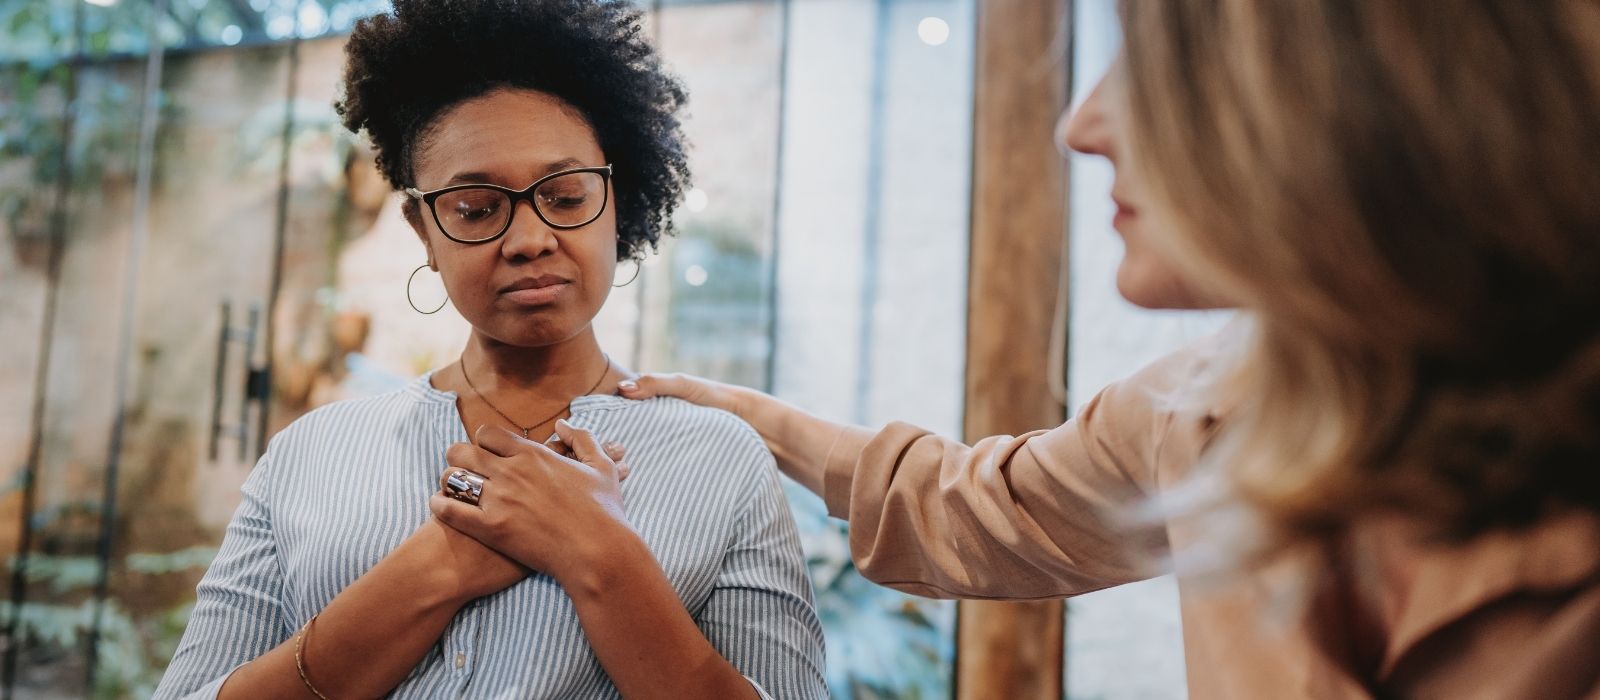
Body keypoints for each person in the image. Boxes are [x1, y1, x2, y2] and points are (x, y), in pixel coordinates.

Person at [622, 1, 1600, 697]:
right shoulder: (1199, 410)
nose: (1078, 125)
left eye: (1153, 70)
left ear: (1351, 98)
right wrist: (738, 418)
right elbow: (971, 507)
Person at [153, 2, 826, 698]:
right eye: (476, 209)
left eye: (566, 198)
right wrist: (436, 568)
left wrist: (598, 553)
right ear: (424, 230)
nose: (530, 239)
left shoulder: (721, 459)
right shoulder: (312, 454)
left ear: (616, 202)